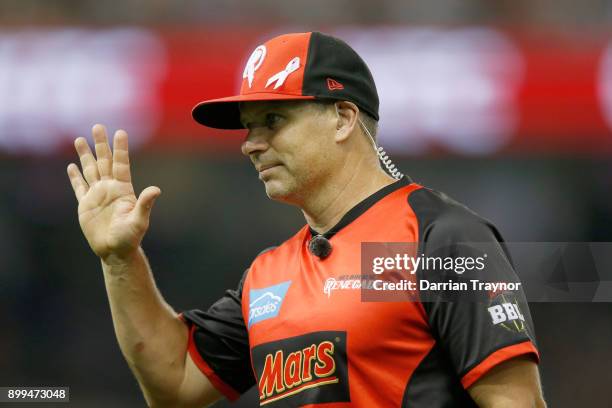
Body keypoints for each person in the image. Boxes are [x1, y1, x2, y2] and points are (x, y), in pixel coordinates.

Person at [67, 32, 546, 407]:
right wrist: (120, 259)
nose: (250, 143)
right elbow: (173, 383)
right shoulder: (267, 276)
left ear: (342, 117)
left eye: (273, 120)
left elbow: (515, 402)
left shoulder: (441, 239)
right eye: (249, 127)